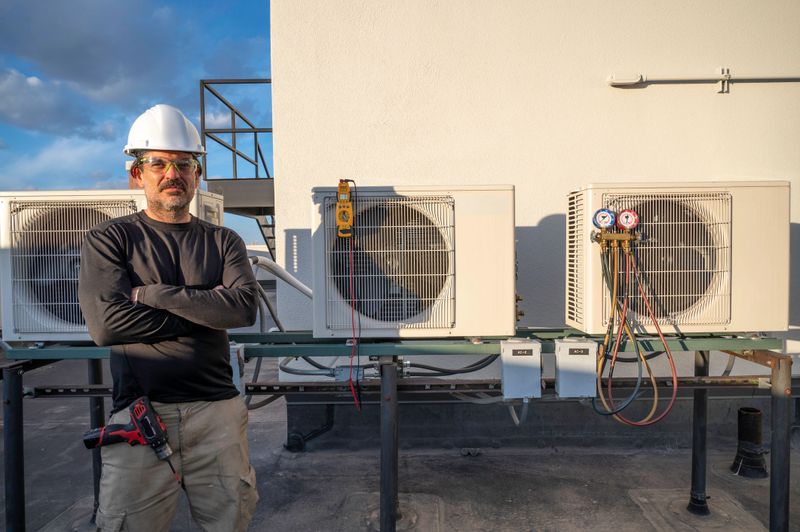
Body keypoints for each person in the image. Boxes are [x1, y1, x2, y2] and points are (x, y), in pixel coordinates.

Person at [78, 104, 260, 531]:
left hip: (217, 414)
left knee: (230, 522)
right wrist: (205, 310)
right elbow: (107, 325)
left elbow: (243, 309)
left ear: (197, 174)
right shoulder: (111, 238)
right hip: (141, 414)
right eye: (157, 163)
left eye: (183, 163)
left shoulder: (224, 239)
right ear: (136, 175)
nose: (171, 173)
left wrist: (154, 295)